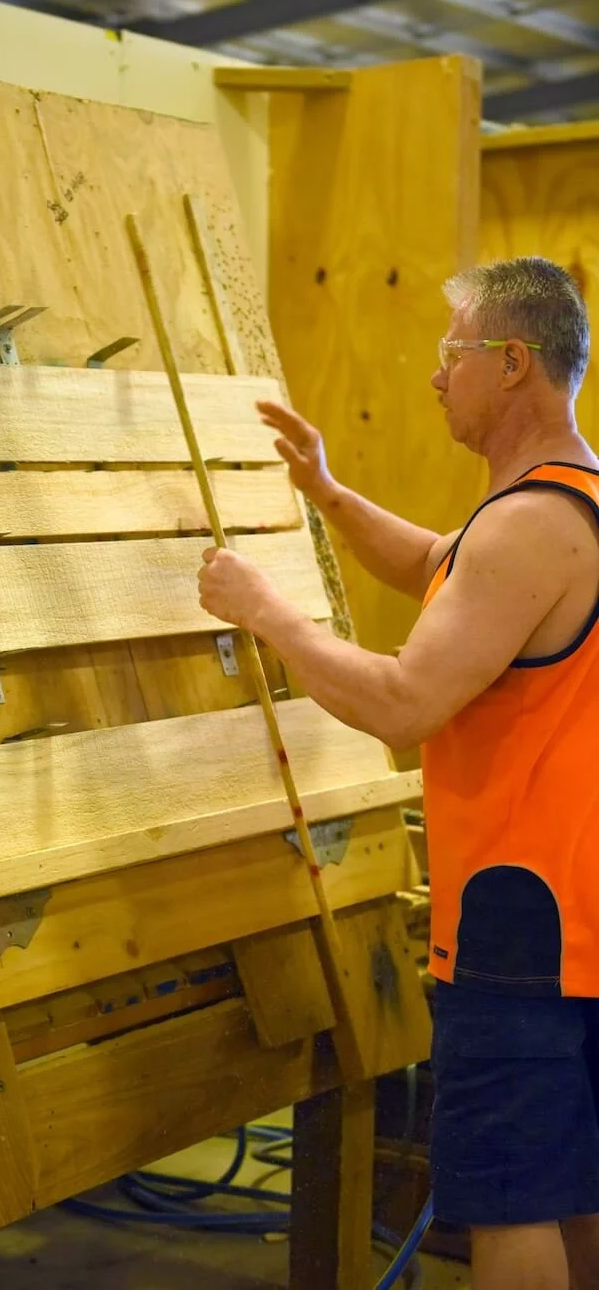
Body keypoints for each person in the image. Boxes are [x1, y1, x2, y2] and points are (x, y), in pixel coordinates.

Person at [197, 258, 598, 1290]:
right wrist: (327, 495)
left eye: (450, 352)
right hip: (572, 918)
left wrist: (263, 610)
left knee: (510, 1204)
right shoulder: (563, 506)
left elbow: (401, 702)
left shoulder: (525, 528)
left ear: (512, 364)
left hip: (523, 928)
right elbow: (439, 565)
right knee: (576, 1191)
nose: (435, 377)